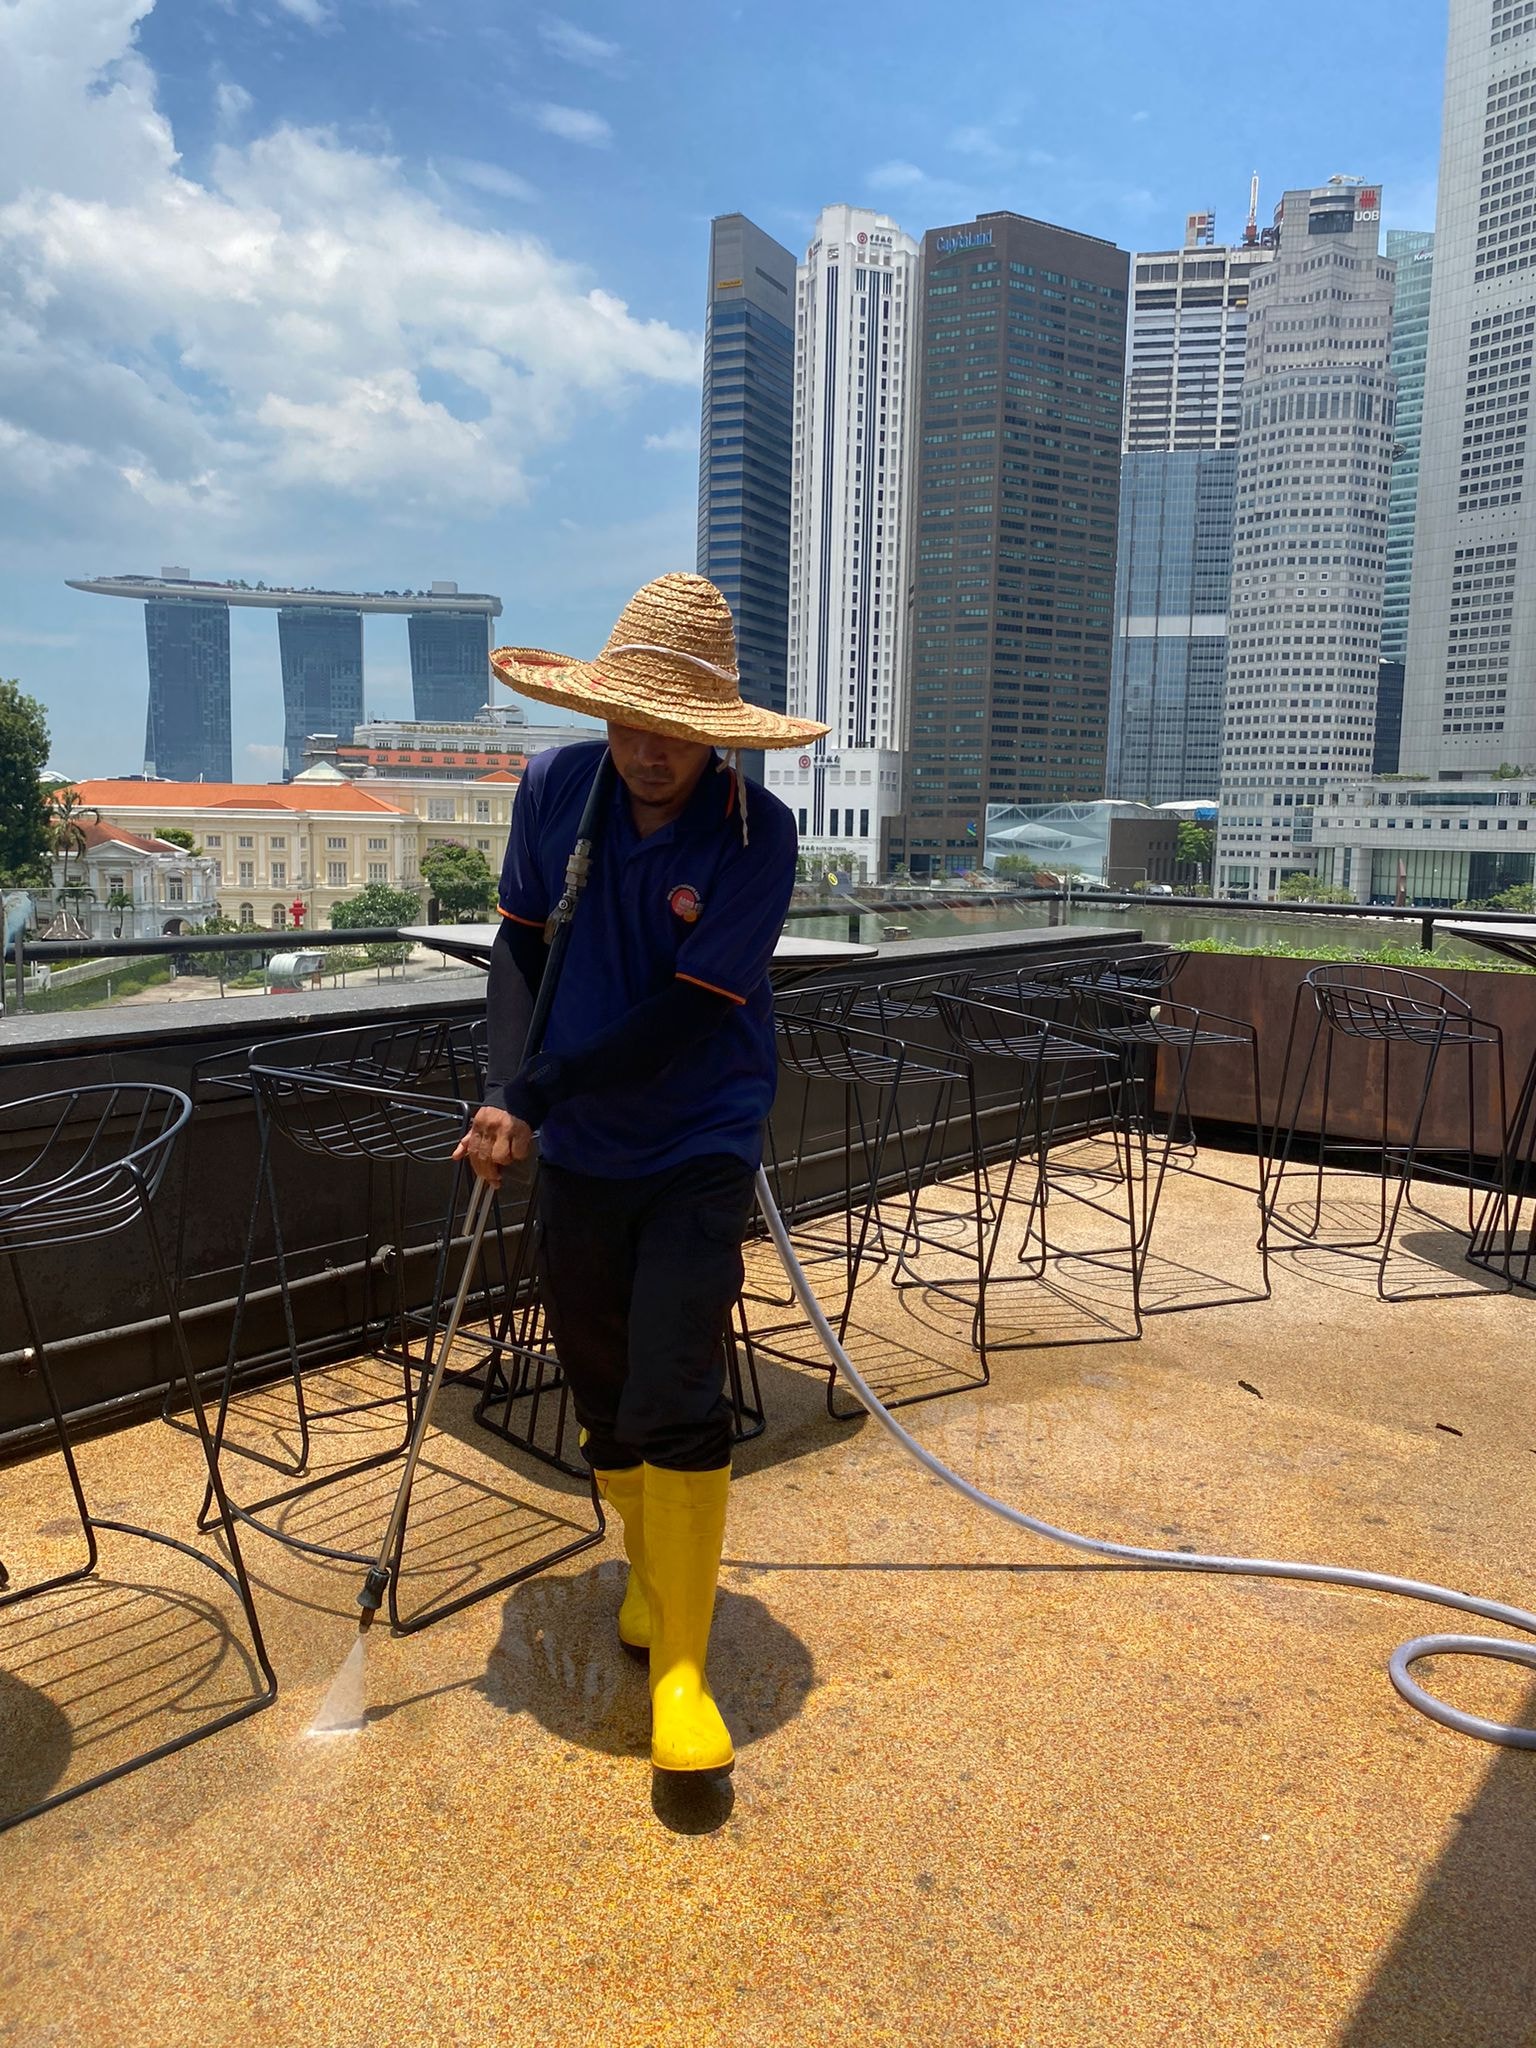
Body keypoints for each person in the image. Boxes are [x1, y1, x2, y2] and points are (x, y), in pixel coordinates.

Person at [454, 572, 827, 1775]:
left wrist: (538, 1093)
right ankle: (657, 1577)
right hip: (583, 1148)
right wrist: (507, 1090)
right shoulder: (557, 788)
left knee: (675, 1373)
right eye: (627, 723)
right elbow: (519, 941)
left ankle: (681, 1660)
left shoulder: (752, 835)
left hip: (697, 1135)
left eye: (673, 732)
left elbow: (686, 1011)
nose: (646, 752)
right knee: (599, 1382)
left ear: (715, 735)